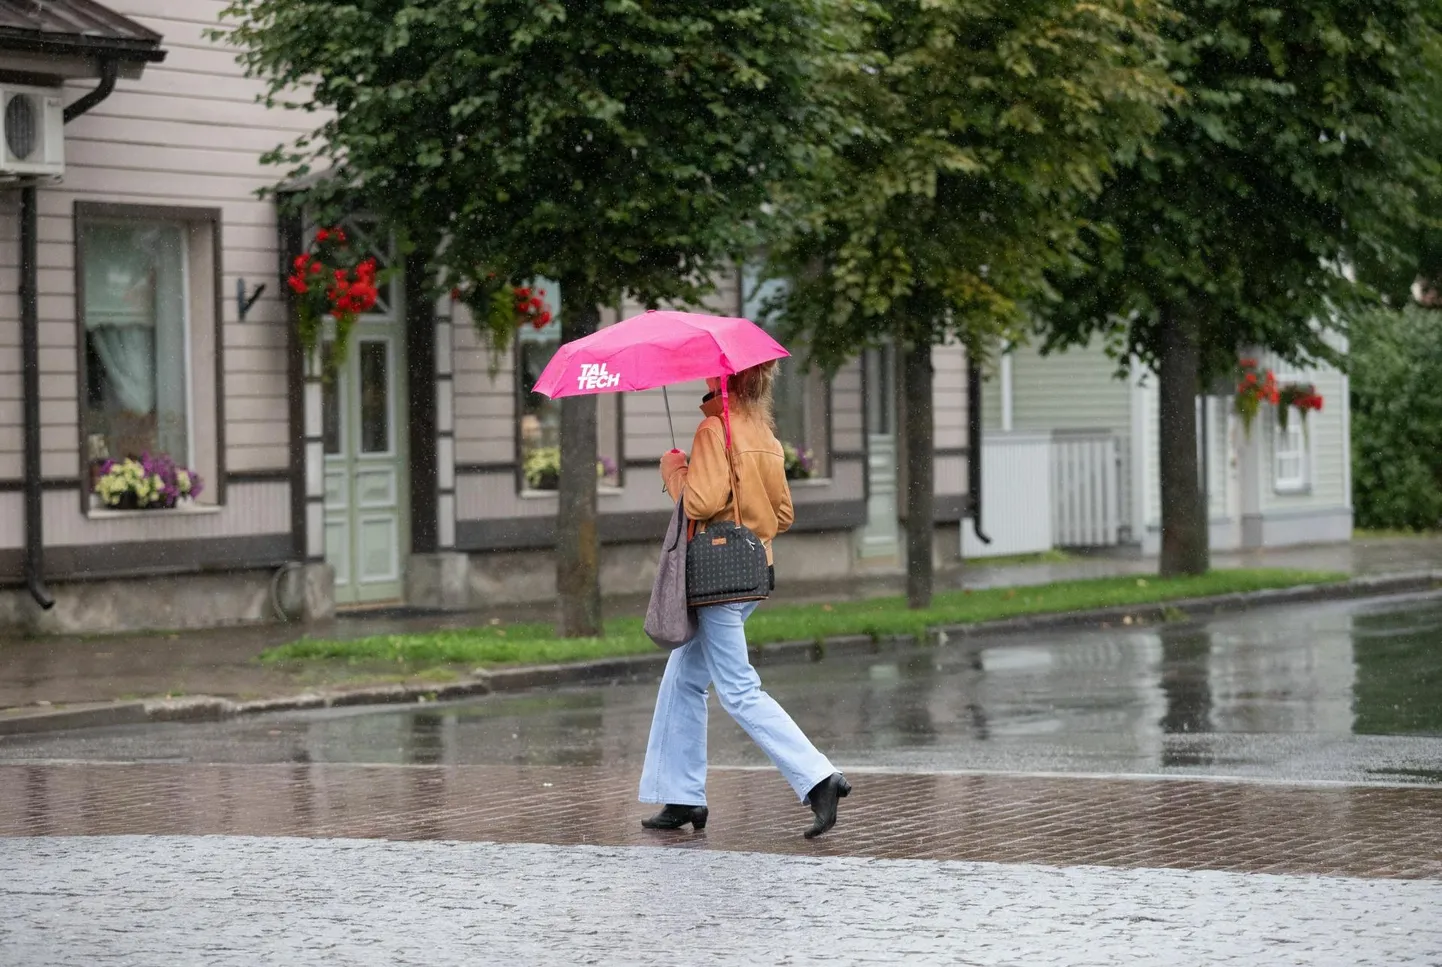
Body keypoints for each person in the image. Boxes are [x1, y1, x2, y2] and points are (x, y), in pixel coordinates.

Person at [638, 361, 851, 839]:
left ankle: (818, 778)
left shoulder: (715, 430)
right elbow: (784, 513)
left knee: (738, 690)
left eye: (712, 376)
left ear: (723, 381)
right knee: (683, 680)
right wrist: (747, 523)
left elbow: (698, 504)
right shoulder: (766, 437)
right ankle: (682, 796)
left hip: (717, 580)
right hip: (751, 574)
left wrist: (675, 472)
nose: (705, 381)